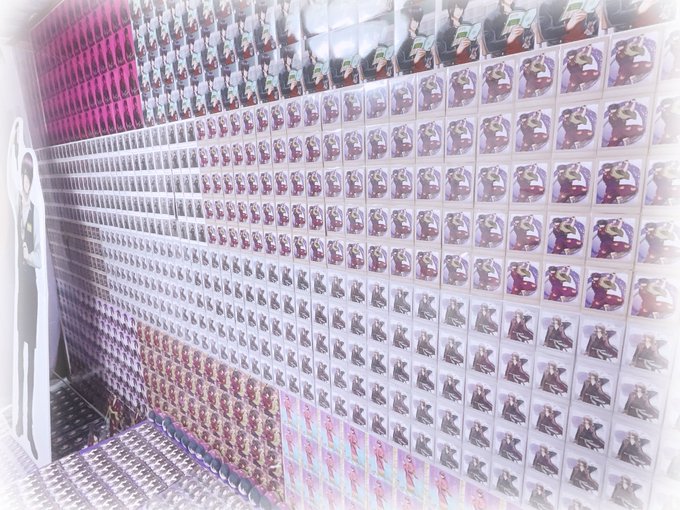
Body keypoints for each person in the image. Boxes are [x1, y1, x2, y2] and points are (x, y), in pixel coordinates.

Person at [8, 120, 42, 459]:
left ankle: (30, 425)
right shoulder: (19, 208)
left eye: (28, 177)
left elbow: (39, 259)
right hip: (22, 288)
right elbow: (9, 180)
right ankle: (19, 419)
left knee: (30, 356)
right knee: (19, 353)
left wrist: (27, 253)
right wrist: (15, 140)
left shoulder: (35, 212)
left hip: (31, 285)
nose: (24, 182)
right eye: (23, 176)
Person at [436, 0, 480, 66]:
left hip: (470, 64)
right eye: (456, 8)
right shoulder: (443, 31)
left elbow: (476, 47)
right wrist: (457, 51)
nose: (459, 11)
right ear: (450, 9)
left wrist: (473, 51)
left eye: (461, 8)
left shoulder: (468, 25)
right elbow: (442, 56)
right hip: (453, 67)